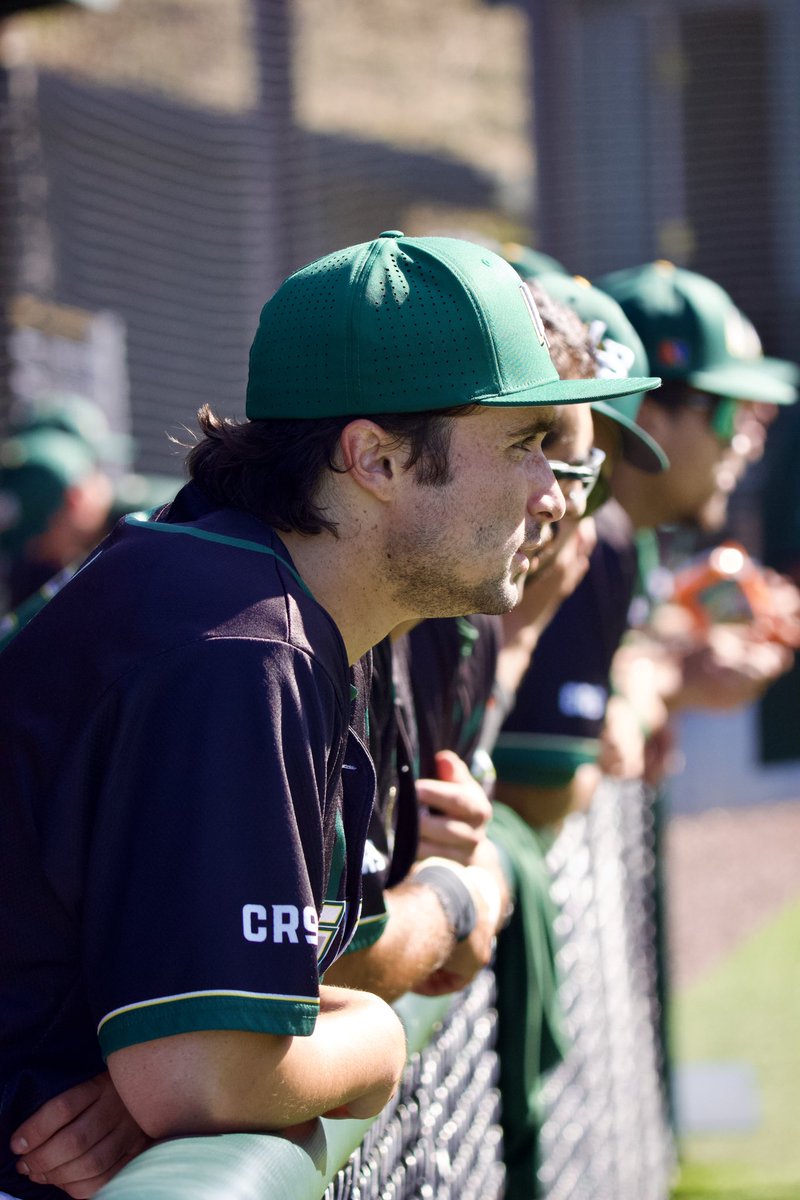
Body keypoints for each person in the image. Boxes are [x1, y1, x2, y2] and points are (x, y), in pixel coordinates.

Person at [0, 231, 659, 1199]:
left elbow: (206, 1057)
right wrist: (380, 1037)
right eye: (522, 446)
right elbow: (204, 1080)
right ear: (374, 459)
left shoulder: (264, 607)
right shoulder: (240, 643)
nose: (553, 497)